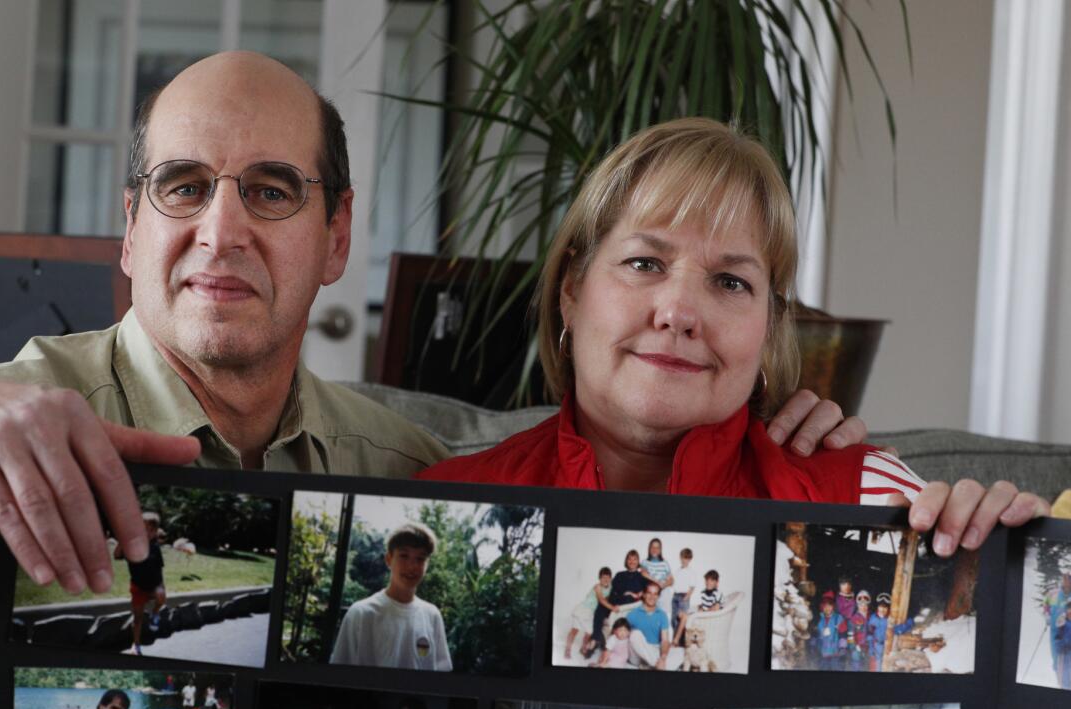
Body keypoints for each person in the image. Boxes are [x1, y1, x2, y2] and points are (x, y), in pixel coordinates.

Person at [0, 56, 876, 596]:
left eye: (269, 190)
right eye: (182, 187)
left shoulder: (413, 473)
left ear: (336, 235)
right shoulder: (11, 415)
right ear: (130, 228)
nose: (220, 230)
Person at [417, 117, 1048, 552]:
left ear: (769, 327)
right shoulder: (437, 513)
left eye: (730, 282)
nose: (680, 312)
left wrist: (1021, 571)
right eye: (645, 264)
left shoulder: (876, 503)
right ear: (573, 290)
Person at [330, 523, 452, 671]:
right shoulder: (361, 613)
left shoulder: (432, 615)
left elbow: (442, 671)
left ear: (427, 564)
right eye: (404, 556)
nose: (412, 566)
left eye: (420, 559)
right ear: (388, 559)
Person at [115, 511, 166, 655]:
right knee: (137, 618)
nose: (148, 533)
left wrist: (161, 586)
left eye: (151, 530)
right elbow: (117, 555)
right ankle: (136, 645)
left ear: (155, 532)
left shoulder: (155, 548)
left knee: (161, 596)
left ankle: (155, 614)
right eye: (144, 529)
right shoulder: (132, 545)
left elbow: (159, 568)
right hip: (138, 586)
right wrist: (123, 540)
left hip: (154, 585)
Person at [593, 550, 646, 651]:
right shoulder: (619, 575)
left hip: (628, 604)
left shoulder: (641, 576)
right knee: (601, 607)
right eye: (629, 559)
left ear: (638, 561)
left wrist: (637, 593)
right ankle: (595, 639)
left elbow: (648, 590)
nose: (632, 561)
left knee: (628, 598)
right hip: (616, 601)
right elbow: (612, 592)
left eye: (635, 559)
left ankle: (606, 642)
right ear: (626, 561)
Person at [566, 566, 612, 658]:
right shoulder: (597, 587)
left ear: (611, 578)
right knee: (575, 630)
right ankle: (568, 649)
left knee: (590, 632)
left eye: (608, 577)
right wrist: (613, 607)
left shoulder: (610, 589)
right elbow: (601, 600)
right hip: (584, 609)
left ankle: (583, 648)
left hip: (591, 613)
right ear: (599, 578)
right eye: (603, 577)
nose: (605, 579)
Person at [626, 582, 672, 670]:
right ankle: (656, 664)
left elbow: (665, 640)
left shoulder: (662, 615)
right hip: (636, 655)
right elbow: (621, 635)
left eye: (655, 594)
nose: (652, 597)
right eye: (649, 593)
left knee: (679, 652)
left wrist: (663, 657)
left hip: (653, 649)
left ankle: (651, 664)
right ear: (643, 594)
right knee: (635, 634)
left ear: (658, 597)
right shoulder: (632, 614)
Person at [667, 548, 699, 646]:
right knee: (673, 620)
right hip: (675, 596)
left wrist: (687, 596)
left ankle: (679, 642)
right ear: (680, 558)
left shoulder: (691, 571)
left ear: (690, 559)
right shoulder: (677, 571)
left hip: (684, 596)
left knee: (682, 619)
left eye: (687, 558)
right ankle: (675, 641)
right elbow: (673, 583)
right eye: (683, 558)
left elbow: (692, 586)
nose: (684, 560)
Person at [639, 538, 674, 623]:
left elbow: (671, 580)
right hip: (651, 592)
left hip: (663, 591)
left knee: (664, 616)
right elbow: (643, 573)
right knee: (650, 617)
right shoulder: (645, 562)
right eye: (652, 547)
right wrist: (657, 582)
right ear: (649, 549)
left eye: (657, 547)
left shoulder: (664, 563)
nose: (655, 550)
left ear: (660, 550)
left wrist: (663, 585)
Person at [811, 591, 847, 671]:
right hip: (822, 654)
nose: (827, 608)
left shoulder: (838, 618)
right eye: (825, 605)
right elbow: (815, 634)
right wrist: (813, 646)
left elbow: (843, 634)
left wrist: (842, 647)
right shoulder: (818, 619)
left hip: (836, 654)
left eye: (829, 605)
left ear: (833, 606)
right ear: (822, 607)